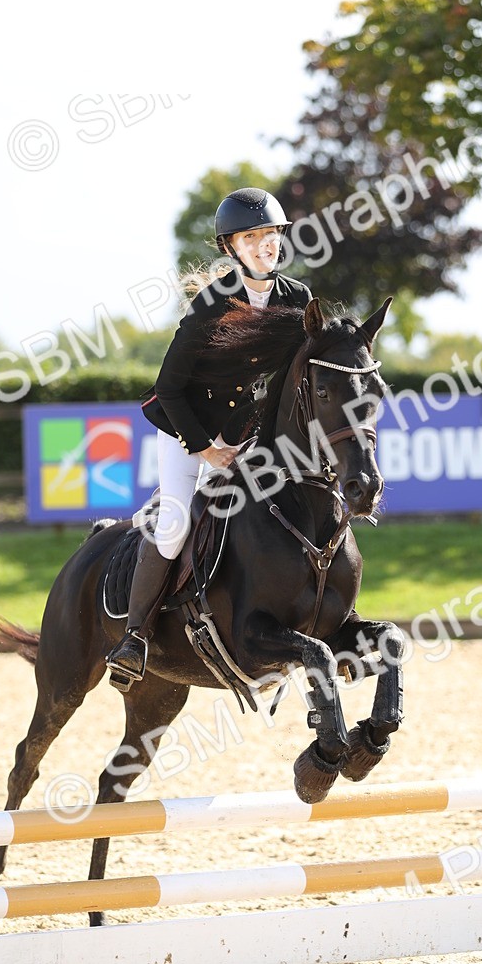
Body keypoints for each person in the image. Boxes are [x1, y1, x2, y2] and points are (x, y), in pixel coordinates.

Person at [106, 188, 312, 689]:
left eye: (271, 235)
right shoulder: (211, 304)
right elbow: (170, 389)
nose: (265, 245)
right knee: (177, 523)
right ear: (231, 247)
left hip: (247, 436)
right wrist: (206, 449)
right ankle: (133, 637)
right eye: (252, 237)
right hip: (188, 432)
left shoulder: (297, 299)